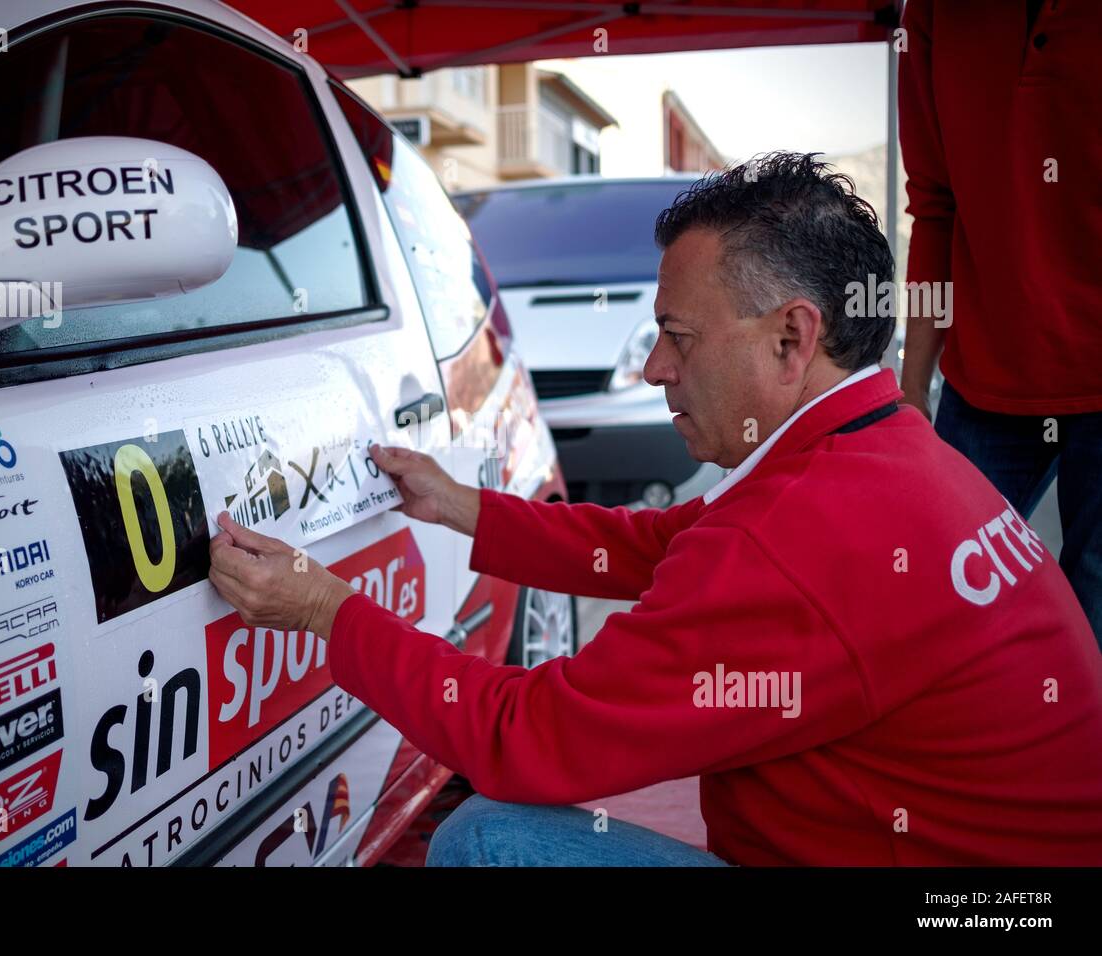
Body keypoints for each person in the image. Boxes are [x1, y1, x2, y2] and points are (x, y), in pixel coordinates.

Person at [208, 153, 1102, 866]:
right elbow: (660, 544)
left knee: (489, 842)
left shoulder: (797, 537)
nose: (652, 372)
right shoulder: (885, 450)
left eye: (677, 339)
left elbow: (524, 739)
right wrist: (465, 509)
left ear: (792, 339)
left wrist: (325, 611)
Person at [898, 0, 1102, 643]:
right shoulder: (929, 14)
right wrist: (910, 390)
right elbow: (933, 209)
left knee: (1091, 634)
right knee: (935, 611)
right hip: (984, 380)